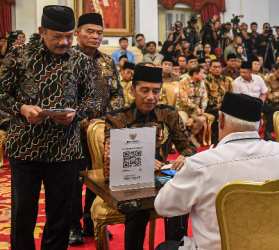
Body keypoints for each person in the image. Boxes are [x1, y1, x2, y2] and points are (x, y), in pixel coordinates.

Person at [0, 5, 95, 249]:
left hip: (65, 150)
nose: (64, 42)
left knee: (60, 214)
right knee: (23, 213)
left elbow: (91, 99)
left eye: (69, 36)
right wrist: (22, 109)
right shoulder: (18, 56)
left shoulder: (81, 60)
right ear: (42, 31)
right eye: (57, 36)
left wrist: (76, 114)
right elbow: (2, 93)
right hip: (25, 147)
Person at [154, 92, 279, 250]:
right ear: (261, 124)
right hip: (270, 245)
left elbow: (163, 206)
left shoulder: (201, 164)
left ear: (220, 120)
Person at [103, 65, 196, 250]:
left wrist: (185, 157)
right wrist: (142, 163)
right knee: (138, 206)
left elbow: (189, 148)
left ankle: (175, 246)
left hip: (163, 182)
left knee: (183, 197)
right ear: (132, 90)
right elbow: (110, 161)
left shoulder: (168, 114)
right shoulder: (117, 119)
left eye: (155, 91)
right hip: (132, 184)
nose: (150, 97)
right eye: (144, 90)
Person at [69, 12, 125, 245]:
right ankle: (72, 226)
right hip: (71, 132)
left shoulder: (106, 61)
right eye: (89, 31)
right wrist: (84, 122)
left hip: (101, 131)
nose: (95, 36)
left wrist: (105, 119)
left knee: (99, 178)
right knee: (72, 181)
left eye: (99, 32)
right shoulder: (66, 59)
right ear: (77, 33)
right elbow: (63, 98)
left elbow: (117, 93)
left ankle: (91, 221)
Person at [232, 61, 276, 141]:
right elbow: (237, 99)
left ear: (251, 72)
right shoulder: (236, 82)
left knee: (272, 111)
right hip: (244, 104)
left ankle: (268, 133)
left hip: (258, 102)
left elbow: (264, 93)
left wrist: (261, 103)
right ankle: (247, 135)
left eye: (244, 72)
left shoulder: (258, 79)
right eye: (241, 72)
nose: (242, 74)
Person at [176, 65, 208, 147]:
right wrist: (196, 107)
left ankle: (192, 136)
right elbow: (184, 99)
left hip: (195, 109)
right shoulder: (183, 82)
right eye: (202, 73)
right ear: (195, 74)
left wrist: (202, 108)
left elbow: (204, 97)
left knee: (201, 119)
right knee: (183, 120)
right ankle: (182, 140)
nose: (203, 75)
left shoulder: (202, 82)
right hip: (183, 108)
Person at [203, 59, 232, 145]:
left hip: (224, 105)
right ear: (209, 68)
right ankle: (216, 136)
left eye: (219, 67)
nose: (217, 69)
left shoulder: (226, 80)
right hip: (211, 106)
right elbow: (205, 97)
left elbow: (230, 94)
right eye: (214, 67)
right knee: (219, 113)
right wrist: (216, 104)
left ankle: (230, 136)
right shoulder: (205, 81)